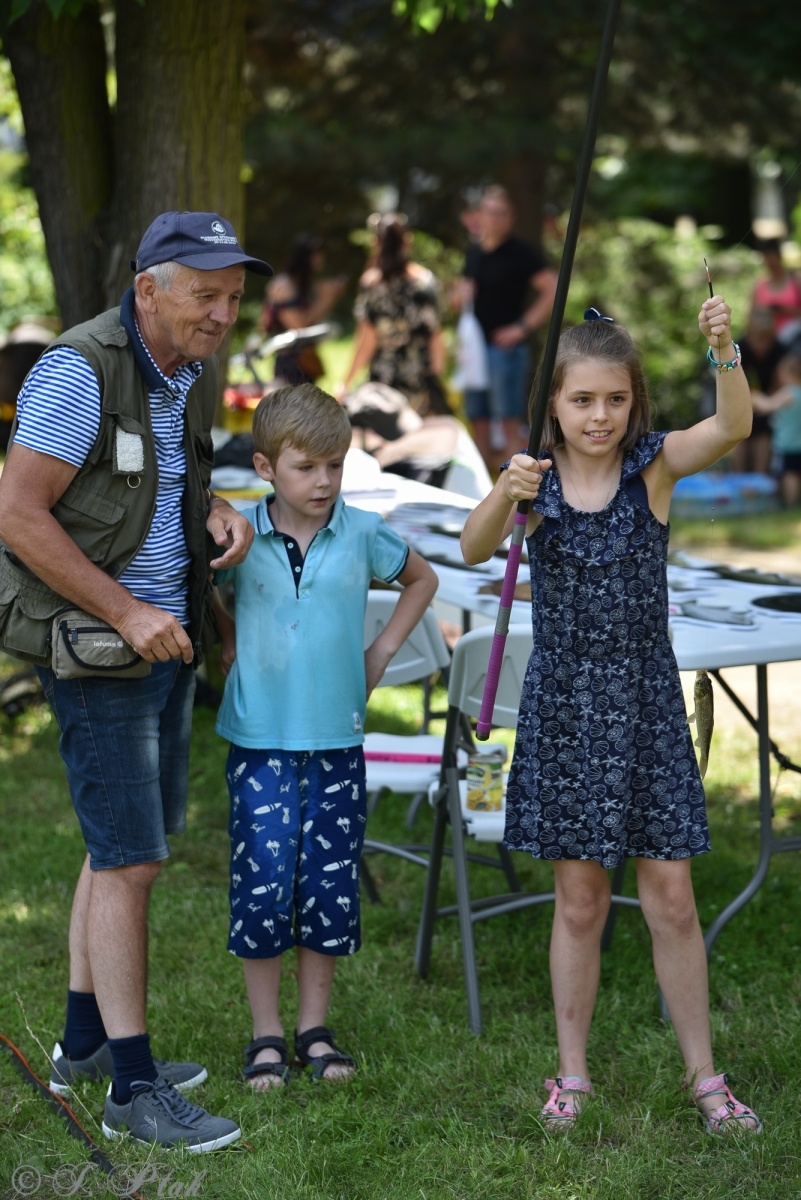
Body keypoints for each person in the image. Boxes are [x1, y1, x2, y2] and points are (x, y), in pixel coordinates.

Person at [0, 210, 271, 1152]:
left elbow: (155, 484)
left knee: (113, 845)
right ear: (148, 288)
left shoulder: (182, 373)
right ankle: (134, 1089)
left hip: (160, 641)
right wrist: (124, 610)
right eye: (206, 295)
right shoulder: (81, 369)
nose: (223, 314)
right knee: (131, 863)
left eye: (233, 298)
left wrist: (218, 507)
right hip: (100, 645)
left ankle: (85, 1046)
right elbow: (19, 514)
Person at [460, 296, 762, 1134]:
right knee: (580, 901)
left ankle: (704, 1077)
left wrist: (722, 349)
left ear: (634, 404)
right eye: (581, 400)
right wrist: (501, 489)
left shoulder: (652, 470)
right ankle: (573, 1074)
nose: (599, 416)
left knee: (670, 897)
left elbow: (732, 427)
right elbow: (472, 548)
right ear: (551, 404)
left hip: (644, 706)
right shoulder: (534, 481)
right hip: (564, 711)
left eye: (615, 400)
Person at [213, 382, 436, 1088]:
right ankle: (266, 1034)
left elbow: (421, 580)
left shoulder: (363, 532)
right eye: (306, 466)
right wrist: (225, 639)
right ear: (265, 466)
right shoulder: (237, 536)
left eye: (335, 465)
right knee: (263, 885)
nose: (323, 481)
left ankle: (313, 1028)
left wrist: (377, 656)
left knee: (328, 887)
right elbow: (206, 593)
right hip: (260, 741)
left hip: (337, 741)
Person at [457, 185, 557, 470]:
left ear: (511, 218)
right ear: (480, 216)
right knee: (479, 419)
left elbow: (552, 288)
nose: (496, 219)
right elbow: (457, 299)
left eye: (502, 214)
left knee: (508, 420)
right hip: (474, 350)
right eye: (490, 212)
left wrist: (522, 328)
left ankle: (515, 494)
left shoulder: (521, 252)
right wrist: (460, 295)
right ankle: (484, 494)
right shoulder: (474, 253)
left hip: (505, 350)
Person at [339, 213, 447, 416]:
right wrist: (436, 379)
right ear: (407, 241)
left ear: (375, 242)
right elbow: (435, 336)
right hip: (419, 381)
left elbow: (366, 342)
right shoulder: (425, 282)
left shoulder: (373, 285)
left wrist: (345, 383)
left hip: (384, 384)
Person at [261, 233, 347, 385]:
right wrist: (325, 299)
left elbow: (312, 321)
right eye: (316, 256)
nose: (320, 260)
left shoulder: (302, 284)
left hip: (304, 360)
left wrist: (329, 298)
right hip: (289, 363)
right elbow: (299, 327)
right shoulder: (284, 285)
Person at [731, 307, 785, 474]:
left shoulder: (780, 349)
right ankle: (739, 478)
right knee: (739, 434)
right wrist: (751, 399)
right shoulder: (740, 347)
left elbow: (781, 379)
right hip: (743, 397)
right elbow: (736, 378)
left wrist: (768, 400)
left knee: (763, 432)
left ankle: (760, 479)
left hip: (770, 399)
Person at [751, 351, 801, 506]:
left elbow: (767, 406)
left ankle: (791, 502)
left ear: (787, 374)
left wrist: (756, 397)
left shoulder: (789, 393)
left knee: (789, 473)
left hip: (788, 444)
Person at [750, 238, 801, 347]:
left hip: (793, 338)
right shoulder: (760, 285)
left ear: (779, 257)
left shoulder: (796, 281)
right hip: (766, 340)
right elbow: (751, 316)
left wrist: (784, 310)